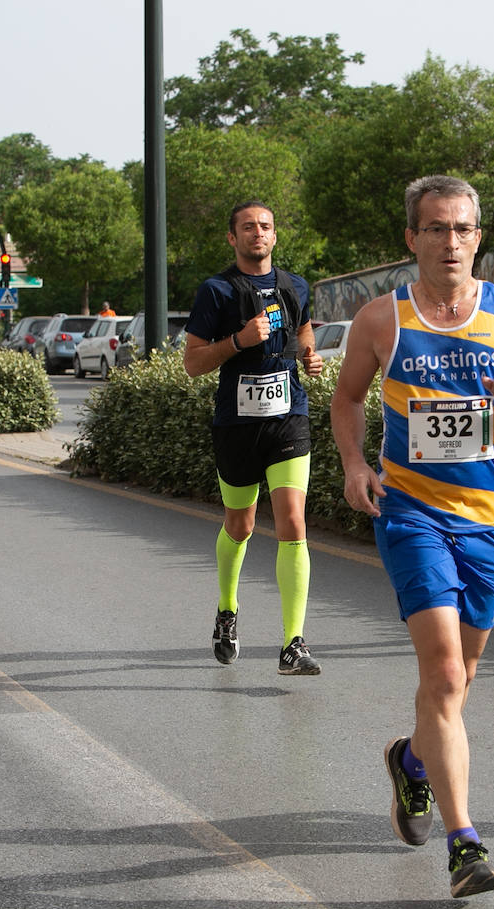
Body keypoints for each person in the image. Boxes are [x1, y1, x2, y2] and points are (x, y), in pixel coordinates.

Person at [331, 175, 494, 897]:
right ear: (412, 238)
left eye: (463, 228)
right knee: (442, 675)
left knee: (459, 684)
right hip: (411, 512)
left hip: (491, 521)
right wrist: (352, 463)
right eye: (436, 229)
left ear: (478, 236)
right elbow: (346, 397)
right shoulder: (382, 318)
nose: (452, 242)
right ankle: (466, 844)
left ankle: (411, 762)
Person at [183, 201, 326, 675]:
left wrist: (310, 357)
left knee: (292, 521)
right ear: (233, 238)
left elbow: (304, 331)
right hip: (237, 424)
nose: (257, 233)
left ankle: (293, 643)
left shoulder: (294, 286)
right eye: (248, 227)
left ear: (275, 235)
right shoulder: (217, 290)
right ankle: (227, 610)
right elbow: (194, 362)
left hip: (289, 416)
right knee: (240, 525)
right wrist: (239, 342)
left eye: (265, 226)